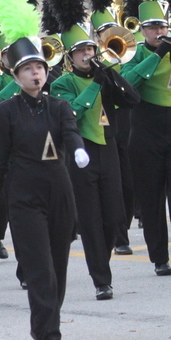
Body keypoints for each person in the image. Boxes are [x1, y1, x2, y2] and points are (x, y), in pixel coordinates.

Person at [0, 0, 89, 340]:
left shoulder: (59, 106)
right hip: (25, 199)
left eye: (40, 68)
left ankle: (47, 324)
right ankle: (49, 337)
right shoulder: (4, 112)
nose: (36, 73)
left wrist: (78, 149)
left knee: (57, 269)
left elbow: (70, 131)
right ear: (17, 75)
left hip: (59, 195)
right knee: (40, 269)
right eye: (29, 69)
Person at [50, 21, 139, 300]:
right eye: (81, 51)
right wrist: (96, 85)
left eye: (90, 49)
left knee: (114, 218)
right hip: (81, 152)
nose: (87, 54)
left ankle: (102, 263)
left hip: (108, 149)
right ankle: (101, 280)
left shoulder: (104, 76)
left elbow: (133, 100)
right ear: (71, 57)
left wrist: (111, 76)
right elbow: (72, 113)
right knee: (90, 220)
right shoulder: (62, 83)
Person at [120, 0, 171, 276]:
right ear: (142, 28)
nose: (159, 32)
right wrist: (157, 55)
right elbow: (127, 84)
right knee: (151, 200)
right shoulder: (134, 53)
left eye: (163, 26)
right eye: (153, 27)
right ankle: (160, 258)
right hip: (145, 129)